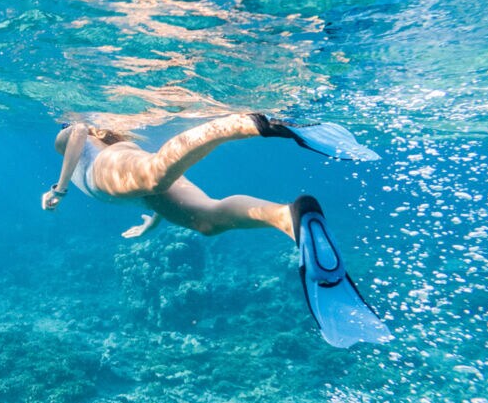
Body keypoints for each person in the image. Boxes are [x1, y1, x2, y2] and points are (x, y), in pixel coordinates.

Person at [41, 113, 392, 348]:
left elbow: (77, 131)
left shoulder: (67, 135)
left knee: (154, 173)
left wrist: (59, 189)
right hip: (130, 185)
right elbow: (141, 188)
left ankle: (252, 122)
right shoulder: (115, 145)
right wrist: (153, 220)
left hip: (105, 173)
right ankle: (288, 218)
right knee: (206, 221)